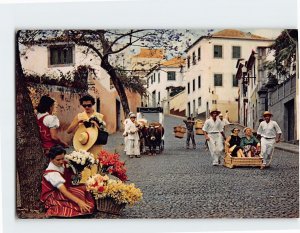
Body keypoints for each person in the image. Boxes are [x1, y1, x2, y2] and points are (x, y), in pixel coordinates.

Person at [40, 145, 94, 217]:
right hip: (54, 195)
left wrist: (75, 176)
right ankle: (81, 207)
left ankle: (87, 205)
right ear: (51, 159)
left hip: (64, 188)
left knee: (85, 187)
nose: (61, 161)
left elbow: (68, 177)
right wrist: (79, 202)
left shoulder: (64, 163)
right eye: (58, 160)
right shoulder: (51, 173)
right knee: (79, 194)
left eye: (62, 158)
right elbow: (64, 191)